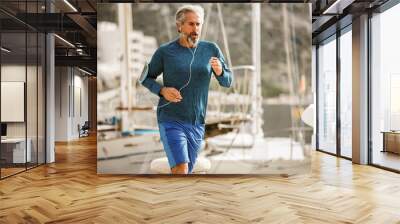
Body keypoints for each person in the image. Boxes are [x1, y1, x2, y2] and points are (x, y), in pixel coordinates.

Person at [142, 4, 232, 174]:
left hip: (197, 122)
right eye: (191, 24)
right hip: (170, 119)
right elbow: (145, 78)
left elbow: (228, 81)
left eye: (198, 24)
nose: (195, 29)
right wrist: (162, 91)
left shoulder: (211, 49)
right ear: (179, 26)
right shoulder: (165, 52)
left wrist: (220, 72)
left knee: (186, 172)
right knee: (181, 169)